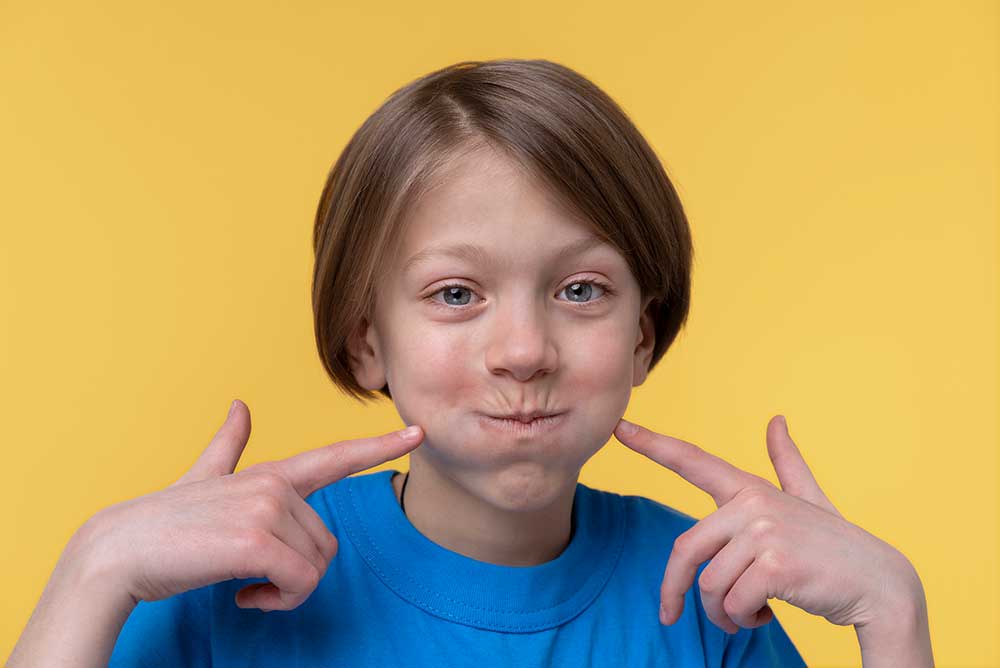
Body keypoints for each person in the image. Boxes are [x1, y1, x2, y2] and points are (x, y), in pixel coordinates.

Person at [8, 58, 933, 667]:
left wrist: (893, 613)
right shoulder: (223, 593)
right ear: (367, 339)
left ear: (643, 335)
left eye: (580, 291)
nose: (525, 351)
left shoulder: (709, 601)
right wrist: (98, 565)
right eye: (456, 294)